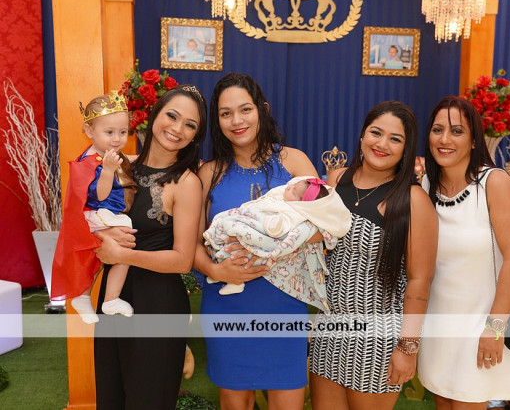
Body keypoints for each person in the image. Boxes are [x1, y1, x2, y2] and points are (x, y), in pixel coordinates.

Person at [194, 72, 319, 410]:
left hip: (284, 304)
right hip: (227, 305)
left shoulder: (293, 161)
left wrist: (278, 242)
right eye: (226, 113)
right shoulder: (209, 173)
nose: (237, 120)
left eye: (245, 109)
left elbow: (327, 224)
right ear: (217, 120)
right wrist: (215, 271)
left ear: (262, 110)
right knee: (235, 403)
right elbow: (190, 244)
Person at [309, 101, 438, 410]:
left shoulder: (412, 200)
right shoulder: (336, 180)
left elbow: (419, 282)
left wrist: (407, 348)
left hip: (378, 340)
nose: (382, 144)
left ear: (406, 149)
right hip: (329, 331)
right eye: (376, 133)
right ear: (362, 135)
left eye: (395, 138)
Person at [92, 84, 206, 410]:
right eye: (172, 116)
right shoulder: (120, 165)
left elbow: (183, 260)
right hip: (113, 298)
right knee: (111, 398)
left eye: (190, 125)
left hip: (159, 303)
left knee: (149, 400)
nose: (177, 128)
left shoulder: (186, 183)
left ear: (195, 136)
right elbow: (86, 215)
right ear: (155, 116)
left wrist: (123, 254)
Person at [417, 96, 510, 408]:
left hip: (482, 323)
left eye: (456, 131)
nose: (444, 139)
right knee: (442, 399)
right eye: (437, 130)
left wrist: (495, 328)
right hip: (437, 323)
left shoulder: (494, 182)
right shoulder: (426, 184)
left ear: (474, 139)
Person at [51, 91, 137, 324]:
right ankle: (110, 298)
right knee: (125, 249)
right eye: (109, 132)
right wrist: (108, 171)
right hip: (98, 215)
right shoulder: (89, 163)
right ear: (90, 131)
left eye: (122, 132)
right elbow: (100, 194)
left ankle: (84, 295)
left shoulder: (104, 153)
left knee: (102, 256)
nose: (117, 138)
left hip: (103, 214)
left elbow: (125, 159)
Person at [204, 176, 351, 312]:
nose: (289, 187)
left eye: (294, 191)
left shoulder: (294, 213)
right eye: (293, 186)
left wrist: (265, 238)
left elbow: (277, 229)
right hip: (227, 304)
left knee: (241, 251)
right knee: (232, 244)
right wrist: (213, 270)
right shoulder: (283, 199)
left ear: (301, 203)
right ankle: (221, 267)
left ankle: (235, 282)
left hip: (275, 284)